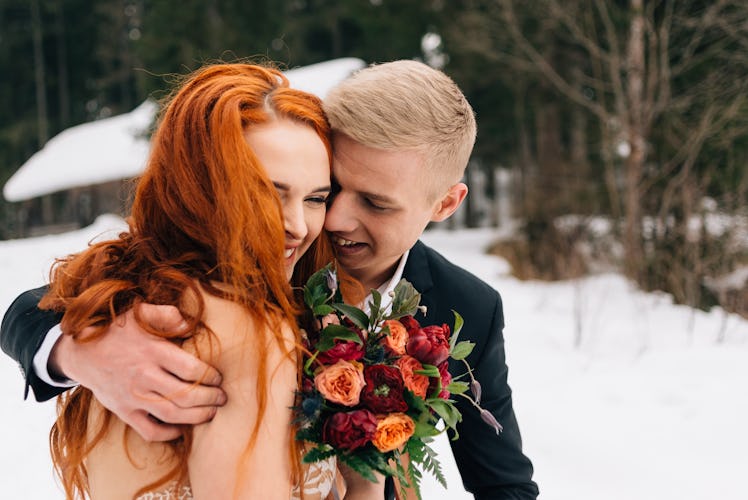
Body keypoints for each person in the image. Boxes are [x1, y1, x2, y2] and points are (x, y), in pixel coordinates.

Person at [2, 60, 538, 499]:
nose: (329, 221)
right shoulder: (264, 260)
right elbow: (39, 304)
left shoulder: (467, 305)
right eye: (333, 188)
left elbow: (504, 483)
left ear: (445, 203)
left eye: (373, 202)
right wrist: (76, 350)